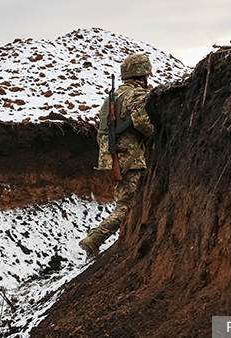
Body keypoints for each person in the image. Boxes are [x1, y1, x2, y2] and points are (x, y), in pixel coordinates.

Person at [78, 54, 154, 257]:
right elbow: (141, 122)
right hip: (128, 157)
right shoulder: (136, 95)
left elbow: (101, 130)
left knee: (126, 200)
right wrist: (156, 134)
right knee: (127, 205)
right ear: (142, 75)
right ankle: (95, 238)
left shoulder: (114, 97)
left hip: (113, 155)